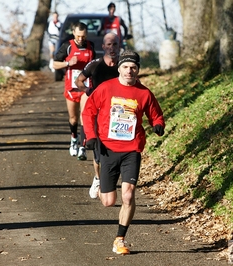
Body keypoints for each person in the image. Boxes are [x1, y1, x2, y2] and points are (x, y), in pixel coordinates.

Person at [82, 50, 165, 255]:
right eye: (126, 67)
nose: (130, 71)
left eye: (133, 67)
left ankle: (120, 239)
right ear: (119, 68)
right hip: (108, 149)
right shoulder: (105, 88)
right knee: (108, 201)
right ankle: (100, 180)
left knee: (128, 195)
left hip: (132, 150)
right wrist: (91, 136)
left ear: (138, 70)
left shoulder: (144, 93)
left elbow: (156, 113)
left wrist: (158, 124)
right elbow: (88, 111)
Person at [75, 32, 121, 199]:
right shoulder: (94, 65)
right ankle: (97, 177)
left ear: (119, 45)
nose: (112, 48)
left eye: (115, 44)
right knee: (98, 151)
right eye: (108, 45)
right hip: (97, 113)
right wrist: (88, 92)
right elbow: (78, 81)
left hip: (117, 113)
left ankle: (111, 178)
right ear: (103, 47)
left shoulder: (124, 66)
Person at [53, 22, 95, 159]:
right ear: (73, 33)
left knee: (84, 115)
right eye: (78, 36)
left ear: (86, 34)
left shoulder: (90, 46)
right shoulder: (67, 45)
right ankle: (73, 140)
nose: (81, 39)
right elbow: (54, 64)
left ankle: (82, 146)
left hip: (85, 87)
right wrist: (67, 63)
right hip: (71, 88)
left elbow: (94, 65)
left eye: (83, 36)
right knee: (73, 118)